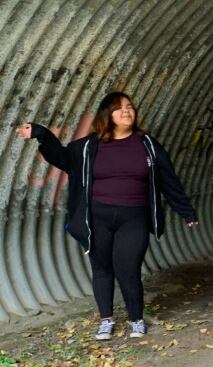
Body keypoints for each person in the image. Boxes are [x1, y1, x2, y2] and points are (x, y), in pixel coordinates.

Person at [15, 92, 198, 340]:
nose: (126, 111)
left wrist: (186, 211)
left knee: (128, 268)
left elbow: (168, 179)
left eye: (130, 107)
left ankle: (136, 319)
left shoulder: (147, 144)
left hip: (134, 218)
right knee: (101, 269)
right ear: (107, 114)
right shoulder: (89, 146)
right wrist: (41, 133)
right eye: (119, 108)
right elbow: (61, 157)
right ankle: (106, 320)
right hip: (97, 217)